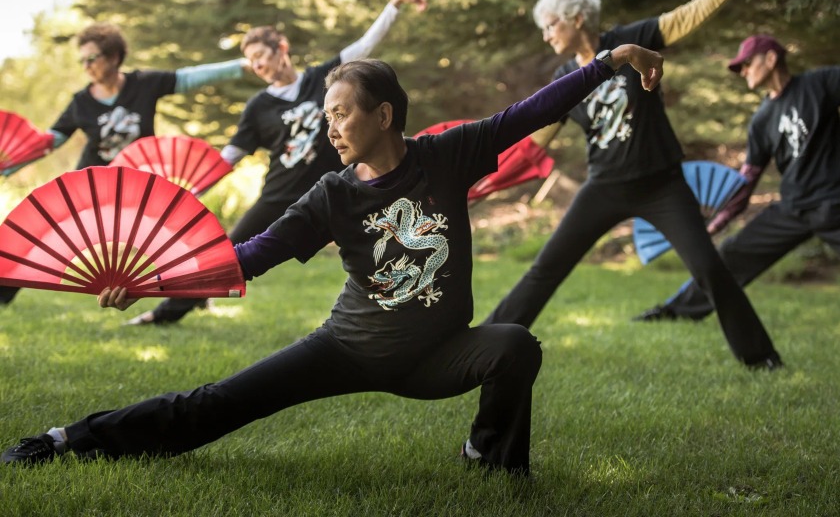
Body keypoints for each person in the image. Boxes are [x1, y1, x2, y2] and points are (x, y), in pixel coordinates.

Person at [1, 46, 665, 474]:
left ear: (383, 115)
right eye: (326, 117)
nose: (331, 128)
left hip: (437, 356)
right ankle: (68, 439)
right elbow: (252, 254)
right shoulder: (332, 193)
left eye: (342, 115)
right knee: (215, 404)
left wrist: (607, 61)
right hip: (347, 348)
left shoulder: (447, 156)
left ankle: (488, 458)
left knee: (514, 345)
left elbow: (529, 111)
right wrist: (153, 282)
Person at [481, 0, 784, 369]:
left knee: (710, 268)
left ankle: (761, 358)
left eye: (550, 25)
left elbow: (685, 16)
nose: (546, 35)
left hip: (662, 186)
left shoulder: (630, 41)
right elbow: (533, 142)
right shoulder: (565, 77)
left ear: (577, 19)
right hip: (604, 188)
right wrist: (479, 179)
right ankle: (484, 347)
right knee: (546, 269)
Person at [125, 0, 428, 326]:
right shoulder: (259, 106)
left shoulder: (321, 81)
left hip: (337, 190)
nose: (258, 66)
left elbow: (363, 47)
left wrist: (393, 6)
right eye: (252, 62)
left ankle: (411, 310)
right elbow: (230, 157)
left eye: (261, 56)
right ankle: (164, 314)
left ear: (281, 48)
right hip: (279, 195)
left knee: (385, 246)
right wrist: (189, 191)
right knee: (226, 255)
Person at [0, 21, 248, 306]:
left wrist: (240, 66)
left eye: (92, 58)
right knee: (46, 229)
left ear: (114, 57)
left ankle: (198, 294)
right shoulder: (81, 102)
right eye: (82, 61)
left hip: (139, 184)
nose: (86, 66)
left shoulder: (144, 84)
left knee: (177, 230)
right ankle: (3, 290)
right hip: (93, 184)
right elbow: (51, 140)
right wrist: (10, 165)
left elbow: (188, 77)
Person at [634, 34, 840, 323]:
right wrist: (717, 222)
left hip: (834, 202)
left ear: (771, 59)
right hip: (793, 208)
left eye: (747, 64)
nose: (743, 72)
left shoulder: (820, 84)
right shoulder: (762, 120)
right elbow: (748, 180)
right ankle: (673, 312)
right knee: (732, 254)